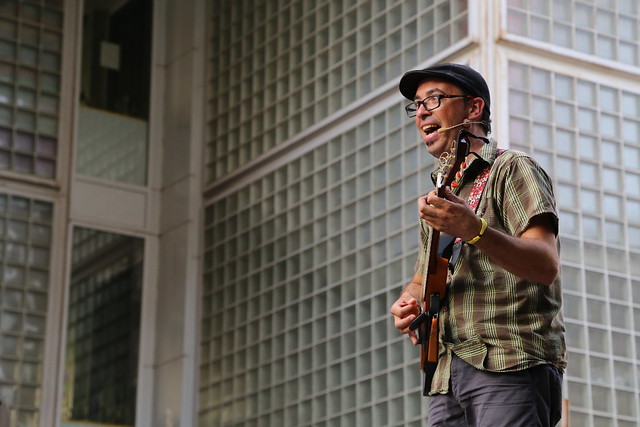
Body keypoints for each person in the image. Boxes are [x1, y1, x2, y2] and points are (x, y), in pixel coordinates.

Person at [389, 63, 566, 427]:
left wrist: (475, 231)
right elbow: (424, 279)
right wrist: (408, 303)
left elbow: (545, 263)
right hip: (446, 375)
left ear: (473, 108)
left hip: (508, 362)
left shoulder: (512, 167)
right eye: (416, 105)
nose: (421, 111)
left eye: (434, 99)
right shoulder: (442, 196)